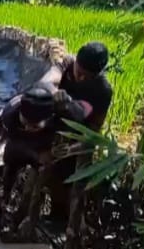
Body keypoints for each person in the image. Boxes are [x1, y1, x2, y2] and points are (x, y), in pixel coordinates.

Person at [40, 41, 114, 226]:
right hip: (55, 126)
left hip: (77, 138)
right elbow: (45, 82)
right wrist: (55, 93)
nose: (80, 78)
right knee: (49, 175)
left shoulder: (102, 90)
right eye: (79, 72)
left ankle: (67, 223)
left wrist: (74, 148)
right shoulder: (66, 64)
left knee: (71, 182)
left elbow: (94, 130)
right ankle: (50, 214)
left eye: (87, 77)